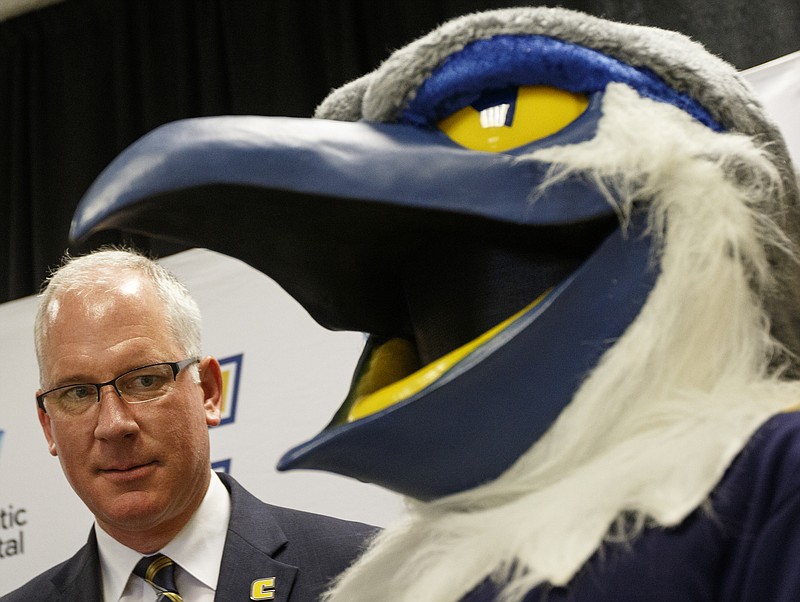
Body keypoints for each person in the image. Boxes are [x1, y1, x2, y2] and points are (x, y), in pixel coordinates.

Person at [2, 247, 377, 602]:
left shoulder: (369, 573)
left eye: (144, 381)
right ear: (48, 425)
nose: (114, 425)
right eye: (78, 393)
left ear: (209, 391)